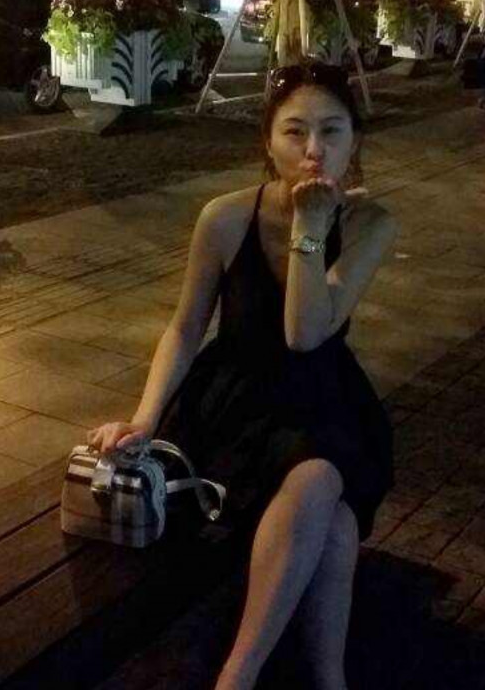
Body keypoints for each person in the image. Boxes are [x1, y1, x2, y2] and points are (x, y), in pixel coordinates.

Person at [87, 61, 396, 690]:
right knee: (327, 506)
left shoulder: (372, 224)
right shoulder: (225, 218)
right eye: (295, 131)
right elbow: (184, 327)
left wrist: (311, 228)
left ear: (355, 141)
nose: (314, 149)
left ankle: (266, 676)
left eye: (332, 131)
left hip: (322, 399)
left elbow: (305, 335)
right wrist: (145, 417)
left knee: (324, 492)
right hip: (234, 402)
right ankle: (271, 677)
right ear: (268, 141)